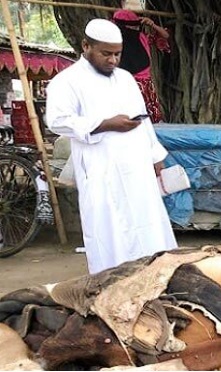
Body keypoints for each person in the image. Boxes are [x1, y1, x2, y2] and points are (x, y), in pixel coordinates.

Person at [45, 19, 177, 274]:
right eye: (106, 53)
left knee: (147, 223)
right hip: (100, 168)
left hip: (136, 166)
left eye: (117, 54)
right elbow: (58, 121)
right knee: (109, 229)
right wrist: (104, 124)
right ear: (86, 46)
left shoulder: (126, 79)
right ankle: (112, 282)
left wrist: (156, 158)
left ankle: (154, 276)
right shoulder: (67, 82)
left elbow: (143, 120)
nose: (113, 60)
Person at [112, 6, 170, 124]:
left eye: (135, 25)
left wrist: (152, 25)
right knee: (130, 120)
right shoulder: (112, 43)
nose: (134, 28)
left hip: (146, 86)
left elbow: (165, 36)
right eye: (130, 26)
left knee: (150, 120)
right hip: (125, 85)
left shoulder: (142, 37)